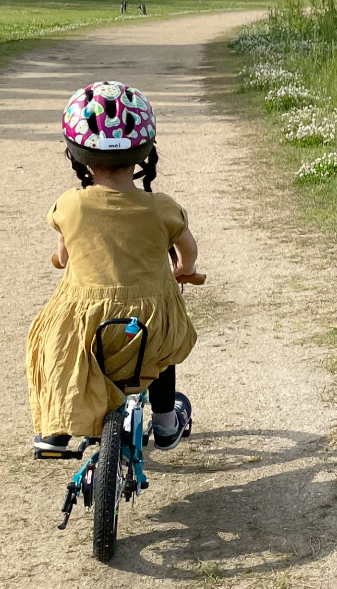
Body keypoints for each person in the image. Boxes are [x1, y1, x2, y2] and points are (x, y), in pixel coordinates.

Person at [27, 81, 198, 452]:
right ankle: (167, 424)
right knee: (162, 348)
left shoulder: (70, 205)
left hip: (90, 325)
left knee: (58, 343)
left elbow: (64, 255)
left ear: (78, 156)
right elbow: (188, 252)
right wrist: (182, 269)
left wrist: (60, 260)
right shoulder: (163, 207)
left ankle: (56, 428)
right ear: (145, 153)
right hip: (144, 323)